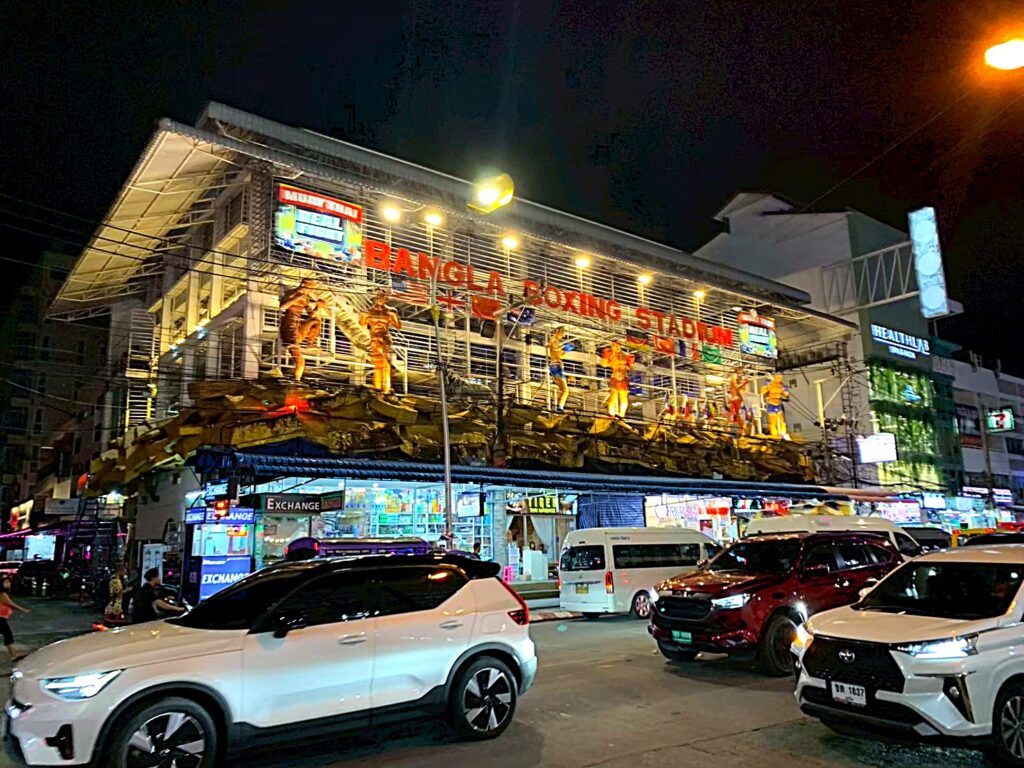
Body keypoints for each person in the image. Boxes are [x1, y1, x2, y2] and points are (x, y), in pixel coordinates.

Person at [0, 575, 29, 662]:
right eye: (6, 582)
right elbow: (11, 604)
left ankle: (13, 655)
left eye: (9, 582)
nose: (8, 584)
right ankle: (14, 656)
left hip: (2, 618)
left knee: (7, 636)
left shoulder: (4, 593)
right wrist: (24, 610)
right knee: (8, 636)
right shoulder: (2, 594)